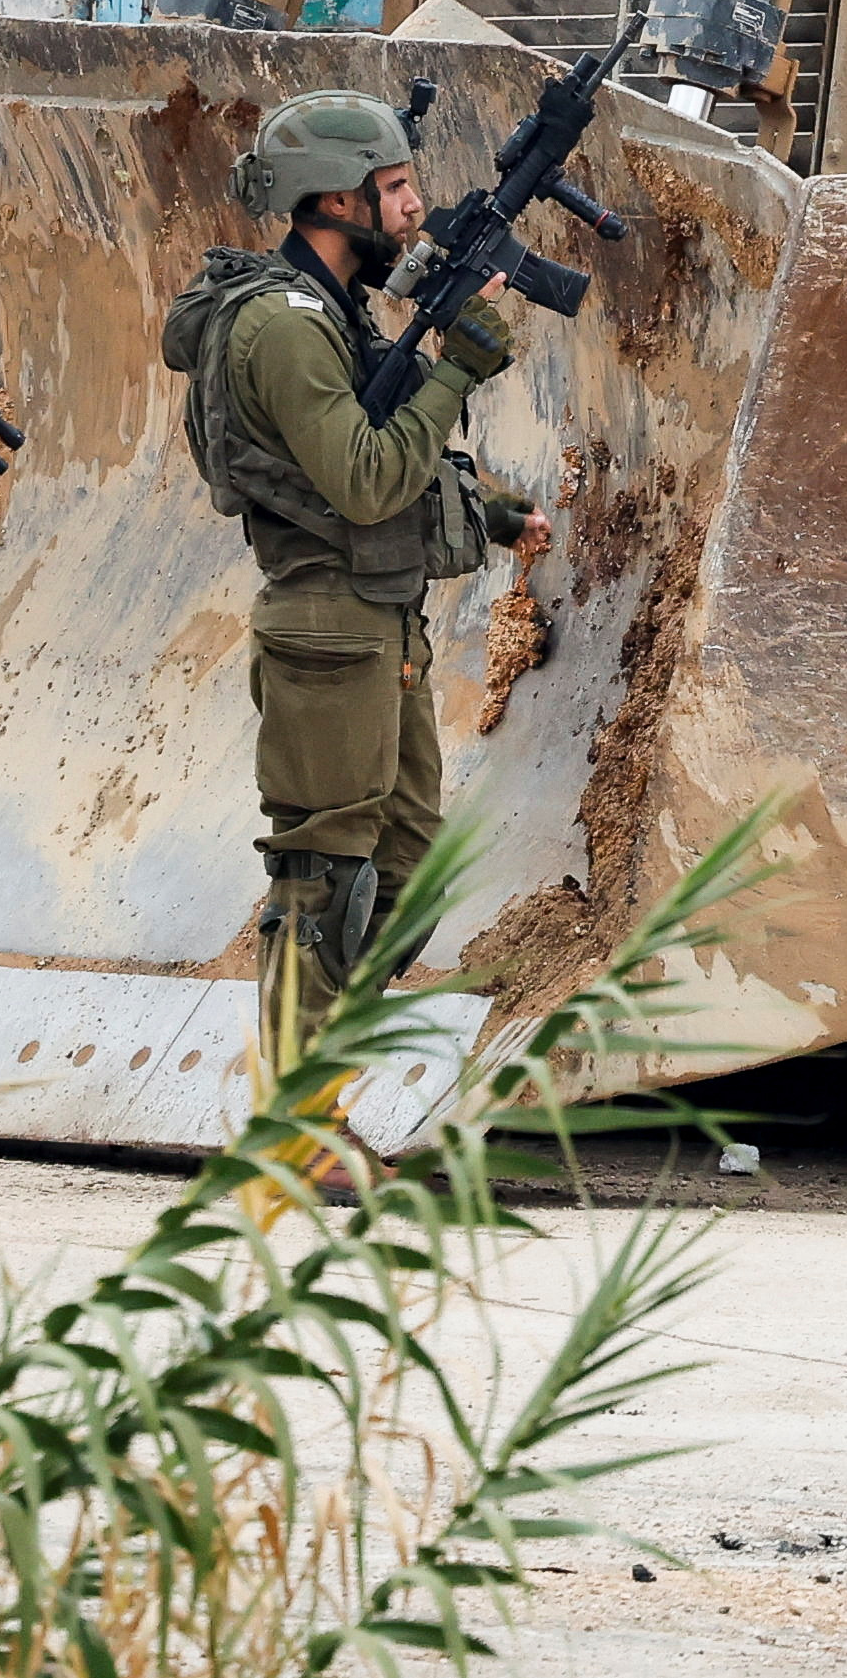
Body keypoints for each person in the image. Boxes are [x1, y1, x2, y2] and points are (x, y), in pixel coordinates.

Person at [163, 91, 556, 1067]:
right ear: (333, 201)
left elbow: (386, 451)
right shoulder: (287, 327)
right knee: (324, 880)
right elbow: (367, 479)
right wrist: (458, 364)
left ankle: (320, 1073)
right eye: (392, 189)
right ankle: (294, 1120)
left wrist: (495, 514)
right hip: (327, 626)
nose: (412, 207)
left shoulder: (333, 311)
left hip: (381, 623)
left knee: (408, 868)